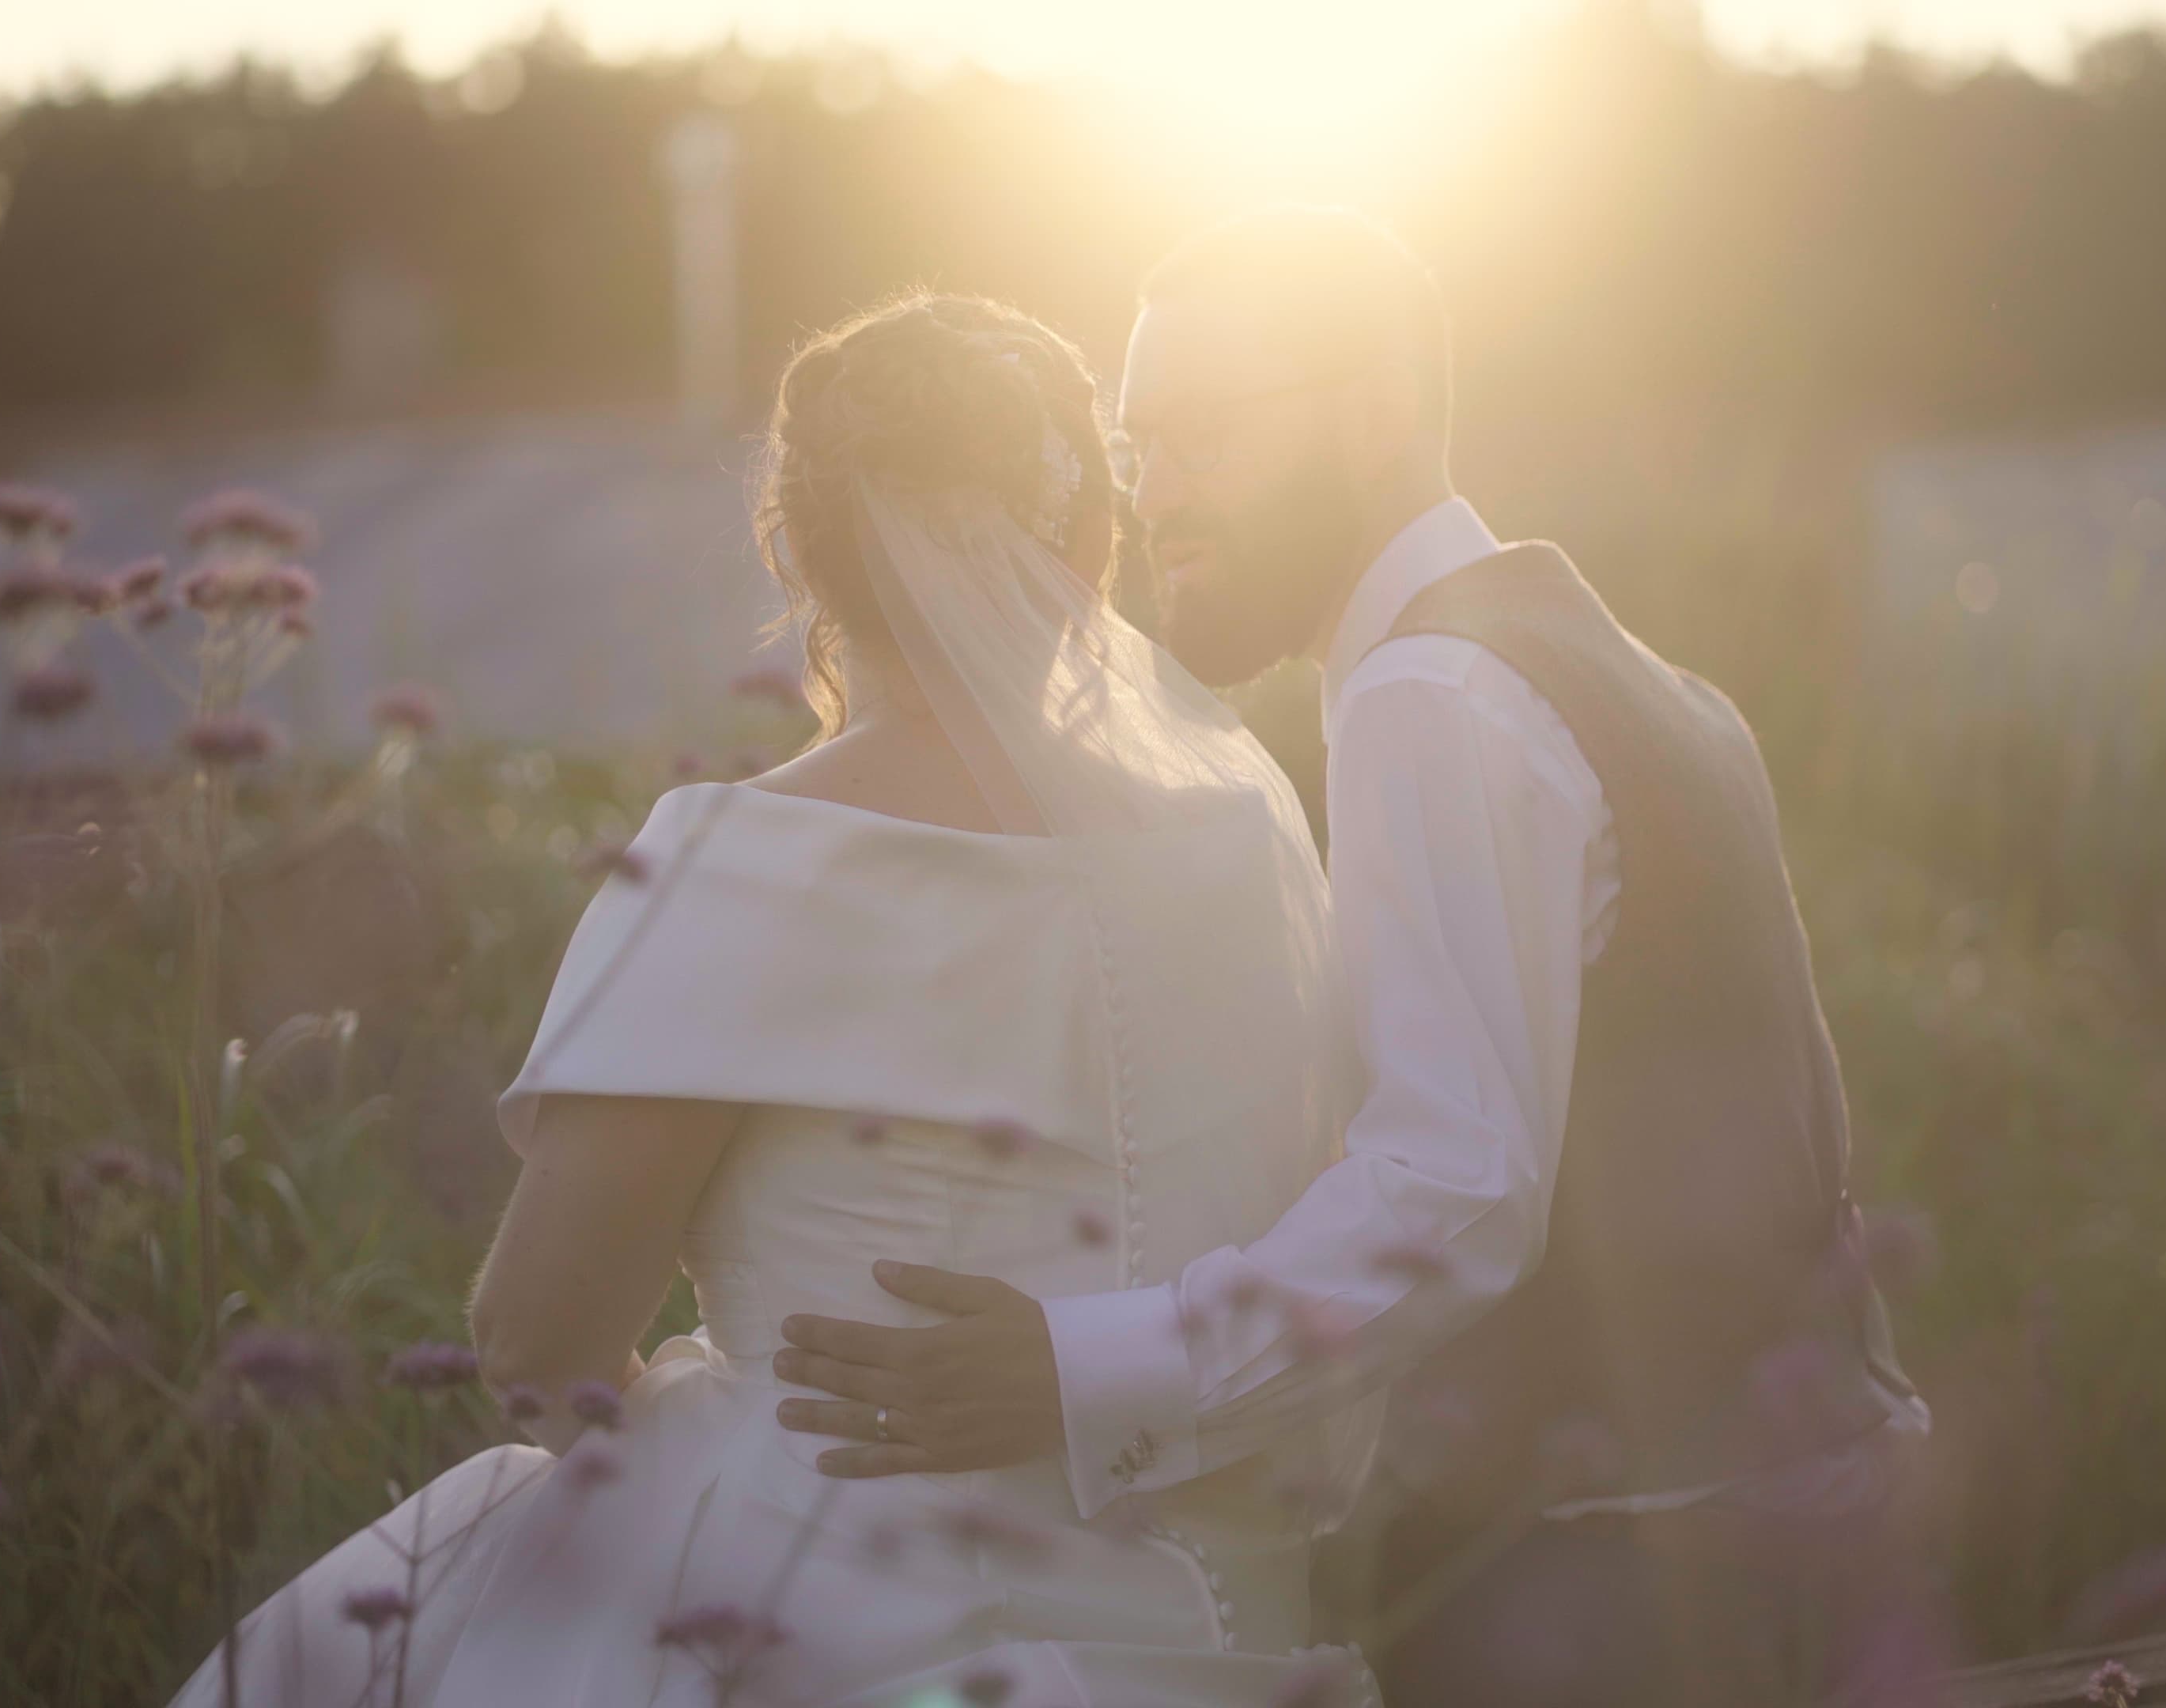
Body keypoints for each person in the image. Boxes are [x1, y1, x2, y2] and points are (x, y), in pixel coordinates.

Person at [776, 208, 1930, 1706]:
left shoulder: (1430, 693)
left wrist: (1086, 1369)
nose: (1155, 499)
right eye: (1137, 448)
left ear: (1379, 409)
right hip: (1812, 1518)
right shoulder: (1610, 659)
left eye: (1200, 437)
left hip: (1623, 1591)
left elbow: (1450, 1191)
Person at [164, 294, 1378, 1708]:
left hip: (817, 1618)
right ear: (1090, 539)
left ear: (797, 545)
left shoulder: (742, 860)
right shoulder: (1240, 848)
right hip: (1204, 1620)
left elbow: (539, 1346)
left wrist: (722, 1467)